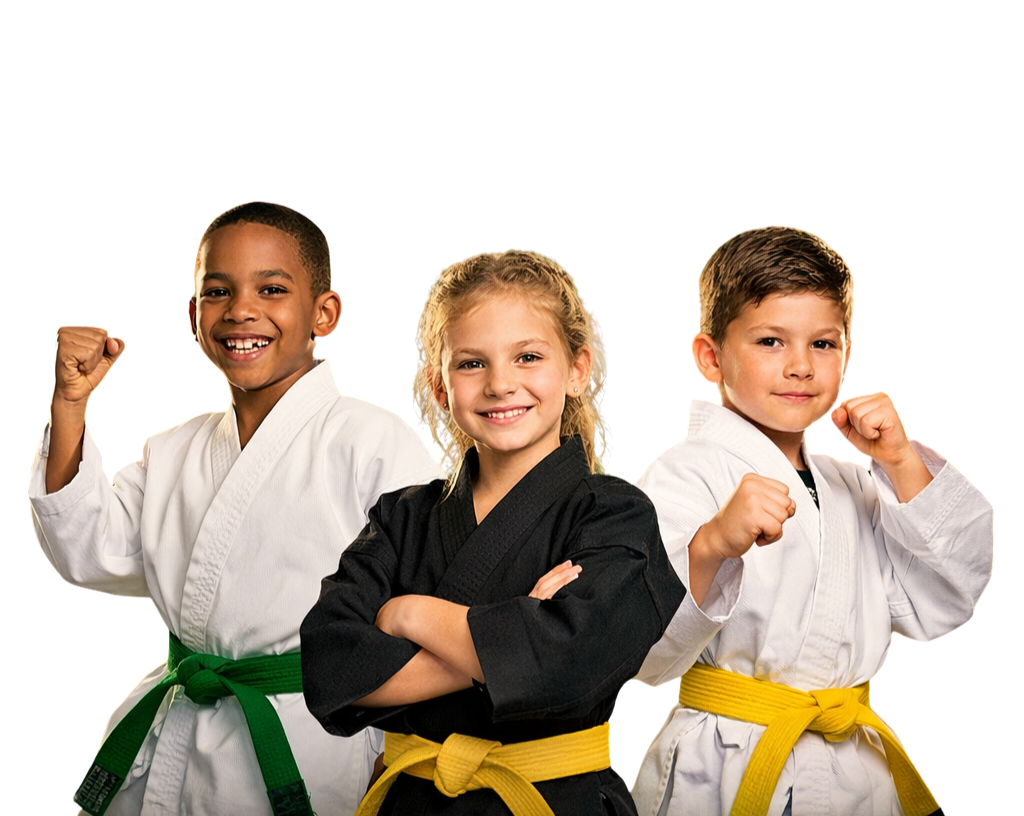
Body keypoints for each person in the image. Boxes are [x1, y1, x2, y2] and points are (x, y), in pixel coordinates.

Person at [28, 202, 442, 816]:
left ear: (323, 313)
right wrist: (70, 403)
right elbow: (89, 549)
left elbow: (433, 601)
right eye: (217, 292)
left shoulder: (372, 440)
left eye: (271, 289)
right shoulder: (172, 449)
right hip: (176, 725)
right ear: (194, 317)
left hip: (312, 736)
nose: (241, 310)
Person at [300, 248, 685, 815]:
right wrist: (514, 633)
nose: (501, 384)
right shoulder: (401, 517)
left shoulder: (615, 514)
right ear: (439, 382)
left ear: (576, 369)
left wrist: (410, 614)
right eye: (472, 363)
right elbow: (331, 669)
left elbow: (568, 666)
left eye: (528, 356)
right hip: (415, 800)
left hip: (557, 799)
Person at [631, 225, 993, 816]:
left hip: (853, 766)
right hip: (724, 764)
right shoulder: (684, 473)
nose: (800, 366)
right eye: (771, 341)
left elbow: (946, 594)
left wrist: (900, 461)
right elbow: (638, 647)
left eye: (822, 344)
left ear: (848, 352)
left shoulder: (854, 482)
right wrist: (713, 544)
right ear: (710, 356)